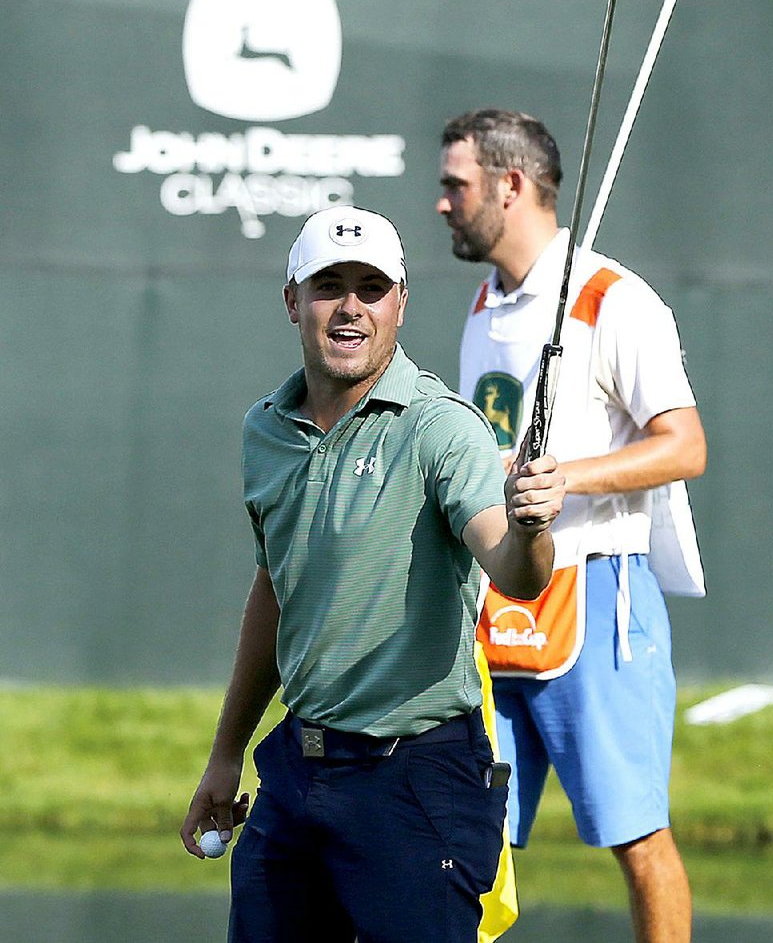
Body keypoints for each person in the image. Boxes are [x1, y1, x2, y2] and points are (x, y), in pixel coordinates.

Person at [180, 204, 566, 943]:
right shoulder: (266, 429)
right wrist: (225, 755)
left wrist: (530, 528)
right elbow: (276, 587)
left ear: (400, 304)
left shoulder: (442, 427)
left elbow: (514, 571)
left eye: (372, 287)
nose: (351, 307)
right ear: (291, 300)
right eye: (329, 286)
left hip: (416, 781)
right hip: (298, 770)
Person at [436, 109, 708, 943]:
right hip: (498, 597)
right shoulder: (485, 302)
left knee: (636, 833)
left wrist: (566, 479)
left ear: (510, 187)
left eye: (457, 185)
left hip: (598, 595)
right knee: (466, 835)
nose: (443, 203)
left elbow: (686, 445)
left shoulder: (610, 299)